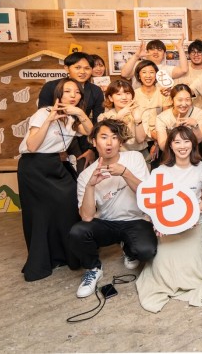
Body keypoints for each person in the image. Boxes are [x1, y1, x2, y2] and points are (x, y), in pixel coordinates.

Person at [136, 126, 202, 312]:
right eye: (177, 142)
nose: (182, 146)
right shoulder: (160, 171)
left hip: (195, 223)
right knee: (164, 268)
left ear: (193, 144)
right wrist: (158, 223)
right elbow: (154, 204)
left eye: (186, 141)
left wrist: (191, 214)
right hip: (168, 228)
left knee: (198, 268)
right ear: (170, 146)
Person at [69, 119, 157, 298]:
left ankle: (129, 249)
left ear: (120, 142)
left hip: (136, 220)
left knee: (146, 251)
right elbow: (86, 217)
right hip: (107, 223)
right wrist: (91, 186)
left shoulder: (134, 158)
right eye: (104, 137)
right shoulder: (86, 175)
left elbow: (148, 194)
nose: (109, 142)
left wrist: (125, 173)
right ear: (94, 142)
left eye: (114, 137)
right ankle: (94, 269)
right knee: (78, 231)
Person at [17, 79, 93, 281]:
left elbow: (90, 132)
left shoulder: (72, 118)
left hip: (56, 165)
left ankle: (67, 254)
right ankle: (43, 260)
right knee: (41, 214)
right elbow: (32, 146)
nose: (73, 95)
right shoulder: (43, 113)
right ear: (58, 94)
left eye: (77, 92)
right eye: (68, 91)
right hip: (34, 167)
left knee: (68, 206)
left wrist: (80, 113)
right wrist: (49, 120)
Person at [38, 52, 104, 170]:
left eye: (87, 68)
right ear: (66, 68)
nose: (82, 72)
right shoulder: (51, 87)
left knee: (83, 172)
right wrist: (58, 148)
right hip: (54, 139)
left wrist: (93, 149)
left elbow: (98, 121)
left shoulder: (95, 91)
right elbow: (43, 117)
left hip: (83, 138)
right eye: (77, 67)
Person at [132, 60, 172, 164]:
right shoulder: (133, 95)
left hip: (160, 137)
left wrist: (157, 143)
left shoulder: (163, 93)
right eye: (144, 72)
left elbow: (166, 120)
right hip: (139, 140)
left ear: (156, 75)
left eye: (151, 72)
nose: (148, 76)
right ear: (139, 75)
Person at [97, 79, 148, 154]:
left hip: (140, 154)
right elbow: (107, 141)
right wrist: (118, 119)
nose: (124, 97)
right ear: (110, 98)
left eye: (127, 93)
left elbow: (140, 139)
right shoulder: (104, 117)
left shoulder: (142, 112)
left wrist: (137, 119)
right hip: (114, 155)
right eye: (119, 94)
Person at [155, 84, 202, 152]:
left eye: (187, 100)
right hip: (171, 153)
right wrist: (175, 130)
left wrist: (195, 126)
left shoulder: (198, 113)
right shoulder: (162, 118)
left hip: (193, 152)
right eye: (180, 100)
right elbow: (163, 147)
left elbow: (199, 140)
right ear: (172, 100)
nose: (184, 104)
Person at [120, 39, 188, 89]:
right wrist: (136, 56)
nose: (155, 52)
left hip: (161, 102)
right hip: (139, 101)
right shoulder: (138, 65)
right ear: (147, 52)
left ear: (164, 54)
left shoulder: (167, 69)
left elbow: (184, 70)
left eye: (159, 50)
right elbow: (124, 74)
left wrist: (180, 48)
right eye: (152, 49)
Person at [176, 39, 202, 110]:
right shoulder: (182, 70)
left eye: (199, 52)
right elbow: (174, 91)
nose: (196, 55)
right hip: (183, 111)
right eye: (193, 52)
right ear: (189, 55)